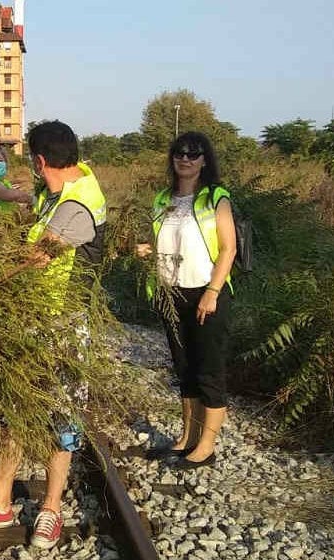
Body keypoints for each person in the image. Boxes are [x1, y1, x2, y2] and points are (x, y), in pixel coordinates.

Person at [0, 121, 107, 549]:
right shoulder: (57, 189)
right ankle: (0, 502)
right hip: (34, 320)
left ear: (41, 160)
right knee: (15, 408)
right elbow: (25, 209)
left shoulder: (78, 205)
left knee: (59, 419)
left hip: (63, 326)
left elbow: (34, 257)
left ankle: (50, 509)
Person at [138, 131, 236, 471]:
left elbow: (228, 249)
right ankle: (187, 437)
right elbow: (161, 243)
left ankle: (205, 446)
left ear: (205, 160)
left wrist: (213, 291)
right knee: (184, 369)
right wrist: (144, 250)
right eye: (180, 152)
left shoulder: (215, 198)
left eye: (194, 153)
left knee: (208, 370)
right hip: (170, 292)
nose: (186, 158)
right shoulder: (163, 198)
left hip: (205, 292)